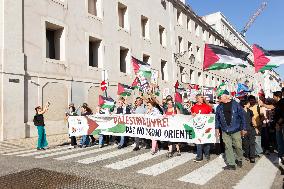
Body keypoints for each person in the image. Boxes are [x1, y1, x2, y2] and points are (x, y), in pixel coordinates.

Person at [215, 90, 247, 170]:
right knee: (227, 147)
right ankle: (231, 164)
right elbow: (217, 119)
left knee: (238, 146)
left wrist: (244, 128)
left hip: (236, 129)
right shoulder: (219, 107)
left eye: (220, 97)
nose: (219, 98)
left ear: (225, 96)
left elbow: (243, 117)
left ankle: (239, 158)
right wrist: (217, 129)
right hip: (225, 130)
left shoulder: (236, 105)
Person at [191, 94, 213, 162]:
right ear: (197, 99)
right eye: (201, 98)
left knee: (206, 141)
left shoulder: (206, 106)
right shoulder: (193, 107)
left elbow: (211, 113)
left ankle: (207, 154)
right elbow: (191, 115)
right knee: (199, 141)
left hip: (206, 126)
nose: (202, 99)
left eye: (202, 98)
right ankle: (199, 156)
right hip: (198, 127)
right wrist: (193, 115)